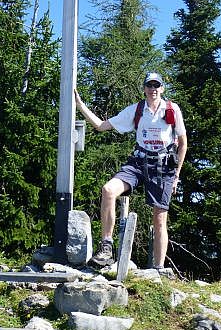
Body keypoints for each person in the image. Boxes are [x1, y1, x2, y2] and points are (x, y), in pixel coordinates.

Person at [74, 72, 187, 269]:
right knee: (108, 190)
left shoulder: (172, 109)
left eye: (156, 85)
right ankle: (106, 247)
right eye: (149, 85)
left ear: (162, 88)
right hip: (138, 162)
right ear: (144, 88)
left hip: (163, 166)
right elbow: (101, 126)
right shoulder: (136, 110)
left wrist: (177, 175)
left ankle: (158, 269)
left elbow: (183, 143)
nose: (153, 89)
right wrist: (80, 105)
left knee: (160, 219)